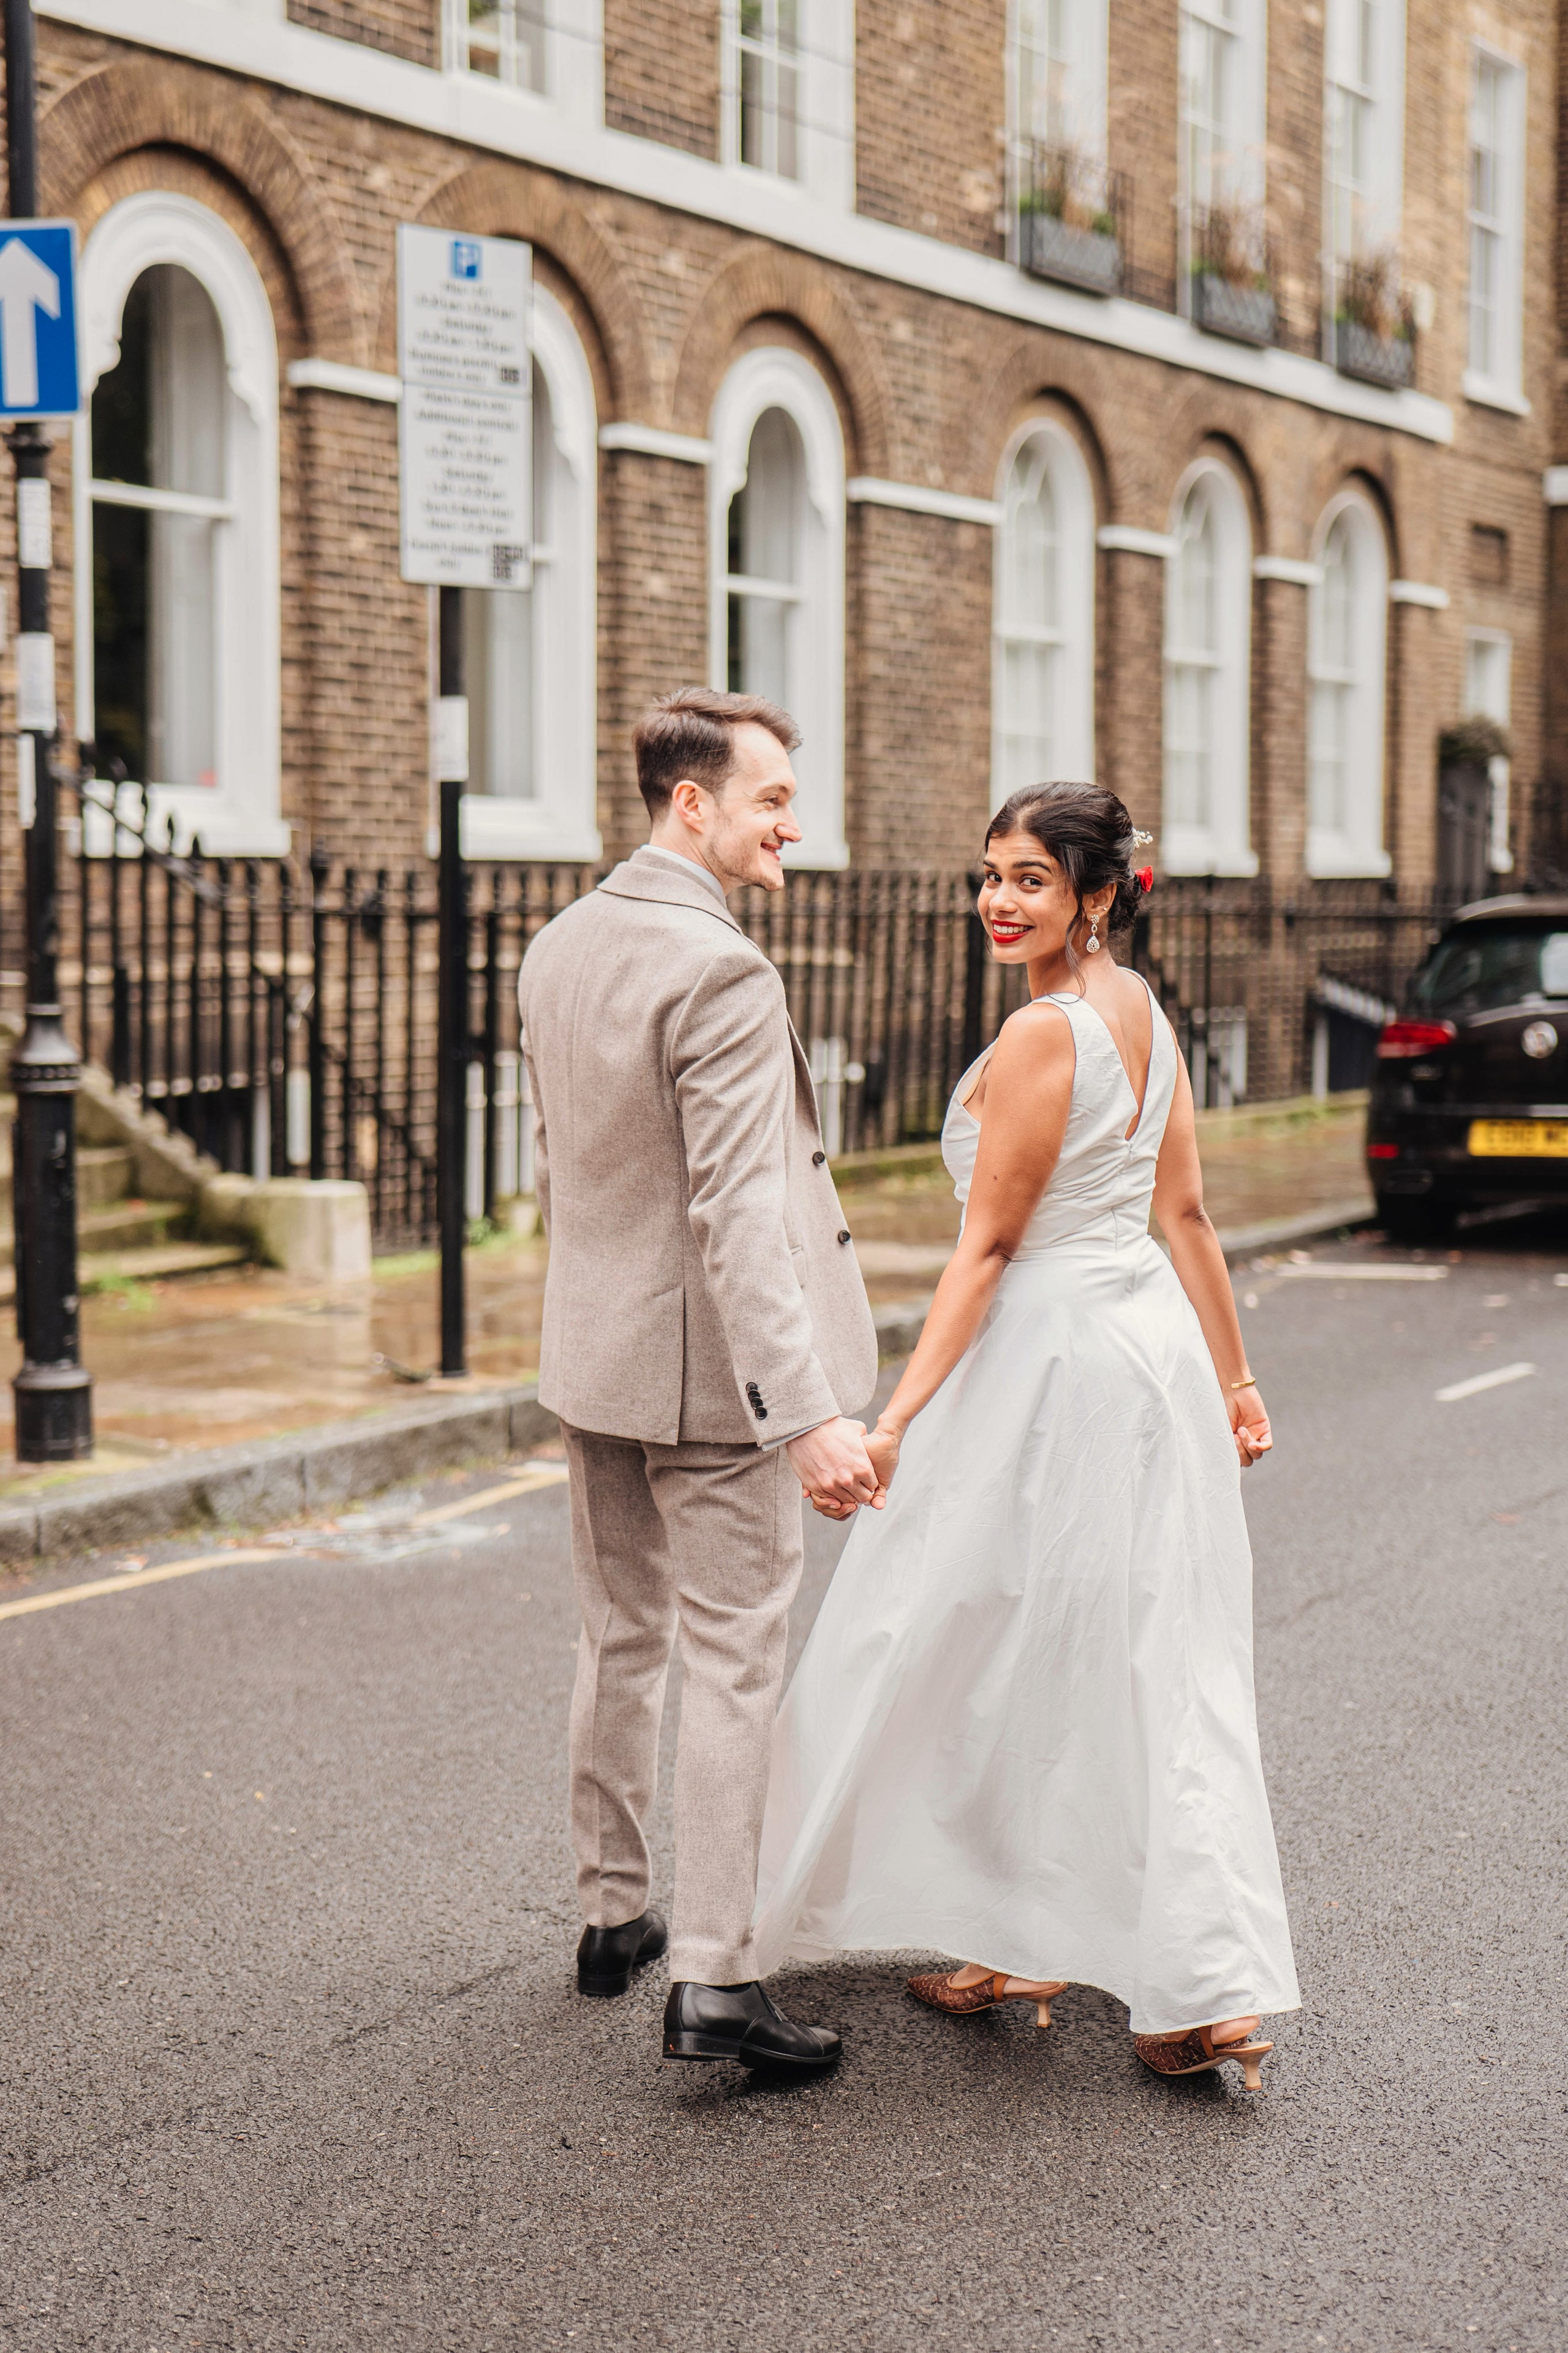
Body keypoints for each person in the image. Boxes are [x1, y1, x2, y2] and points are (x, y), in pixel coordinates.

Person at [752, 782, 1300, 2090]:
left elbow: (988, 1248)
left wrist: (889, 1422)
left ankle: (1077, 1952)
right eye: (989, 874)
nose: (998, 900)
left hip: (1051, 1368)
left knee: (981, 1636)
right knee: (1142, 1652)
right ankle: (1162, 1979)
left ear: (1096, 896)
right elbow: (1185, 1221)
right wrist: (1229, 1377)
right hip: (1147, 1355)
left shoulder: (1047, 1033)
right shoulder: (1147, 1019)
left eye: (1030, 880)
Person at [518, 686, 880, 2075]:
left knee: (617, 1636)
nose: (794, 822)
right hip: (717, 1386)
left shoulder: (560, 943)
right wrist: (806, 1416)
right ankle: (720, 1981)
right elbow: (736, 1219)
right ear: (692, 804)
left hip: (594, 1357)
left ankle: (613, 1916)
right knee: (736, 1660)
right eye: (772, 798)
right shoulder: (722, 970)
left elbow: (555, 1172)